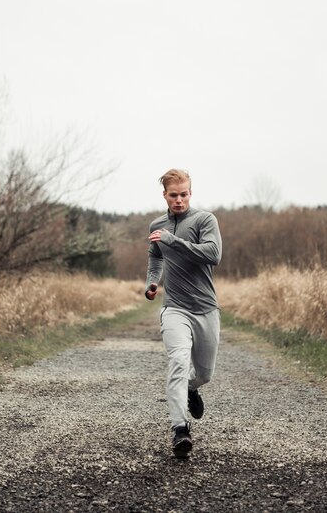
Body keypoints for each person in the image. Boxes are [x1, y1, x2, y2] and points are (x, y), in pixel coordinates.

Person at [145, 168, 222, 459]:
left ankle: (192, 389)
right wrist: (152, 282)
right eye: (173, 195)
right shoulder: (157, 225)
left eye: (184, 194)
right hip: (174, 308)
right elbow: (155, 258)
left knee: (204, 373)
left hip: (206, 309)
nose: (179, 200)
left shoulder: (205, 220)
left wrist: (173, 240)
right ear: (165, 195)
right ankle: (180, 429)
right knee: (177, 361)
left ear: (191, 192)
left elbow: (213, 254)